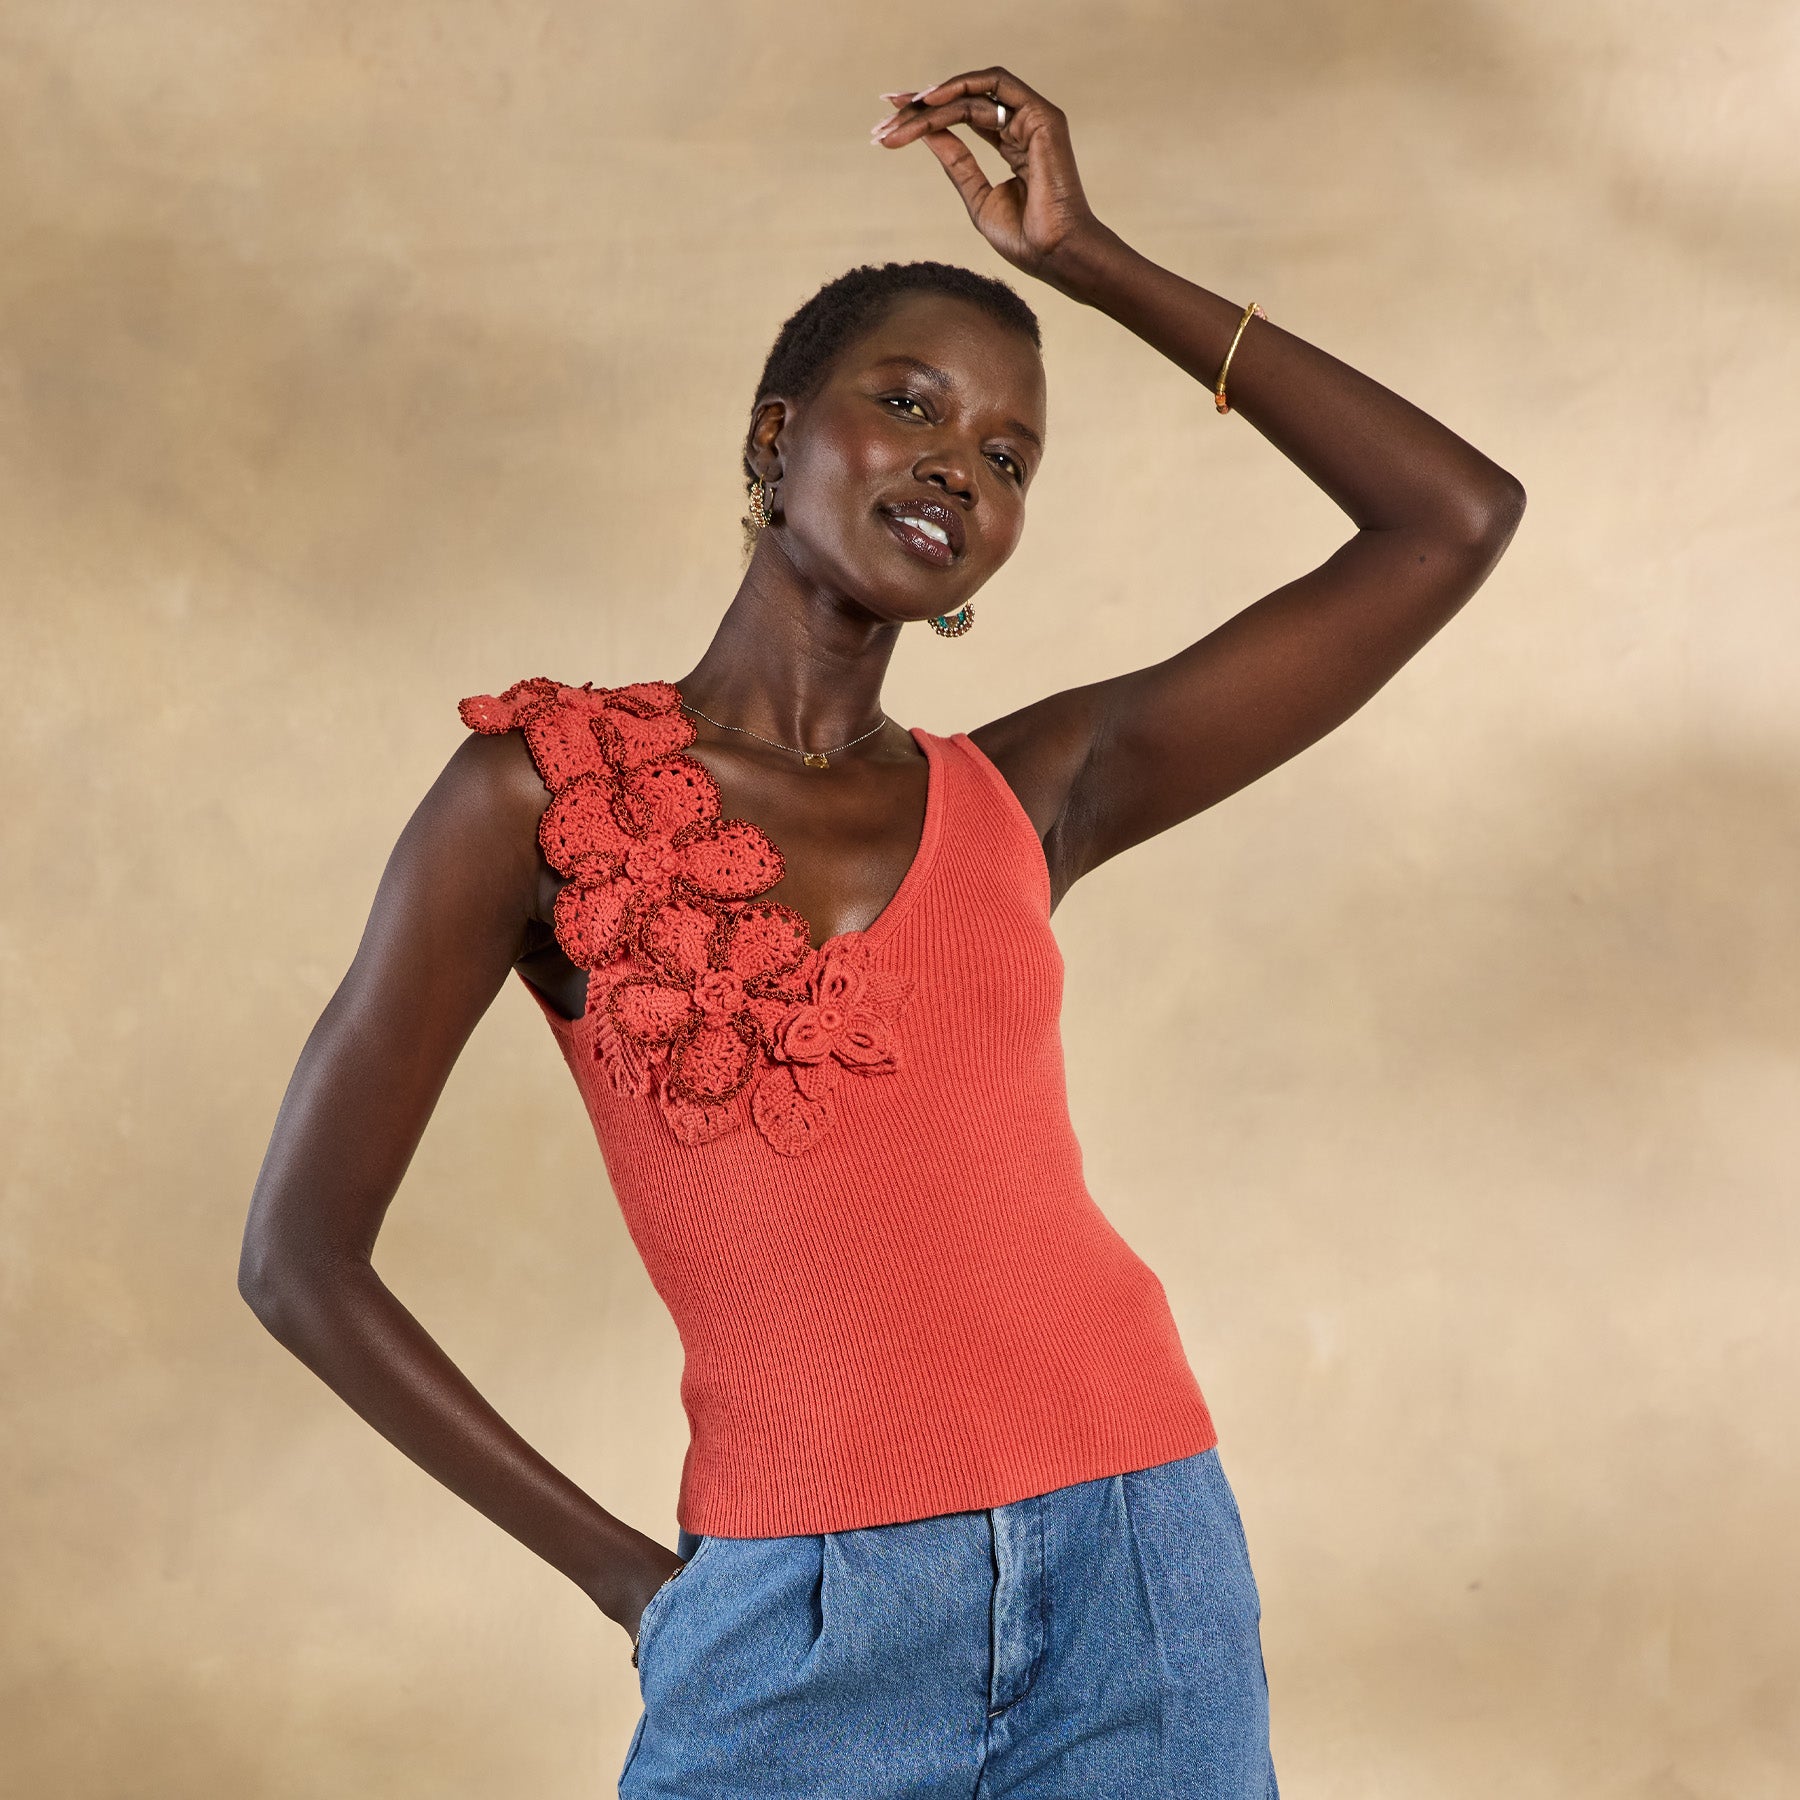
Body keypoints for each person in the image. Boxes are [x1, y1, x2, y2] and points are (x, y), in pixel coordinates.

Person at [239, 65, 1523, 1798]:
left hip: (1140, 1576)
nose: (956, 467)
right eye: (907, 404)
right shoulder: (537, 794)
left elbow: (1452, 519)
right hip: (798, 1628)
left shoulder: (1038, 790)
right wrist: (634, 1585)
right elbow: (298, 1259)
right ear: (777, 435)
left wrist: (1092, 261)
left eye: (1007, 456)